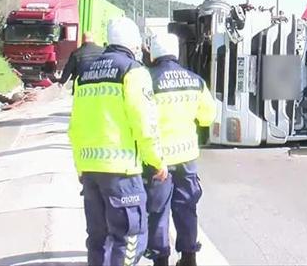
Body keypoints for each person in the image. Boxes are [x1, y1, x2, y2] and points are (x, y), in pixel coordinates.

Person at [68, 17, 167, 266]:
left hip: (90, 171)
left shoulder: (86, 74)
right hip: (121, 173)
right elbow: (144, 122)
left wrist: (81, 167)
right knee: (130, 237)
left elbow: (75, 127)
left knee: (98, 239)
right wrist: (156, 161)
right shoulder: (133, 71)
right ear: (134, 44)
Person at [144, 33, 217, 266]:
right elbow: (208, 117)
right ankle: (188, 258)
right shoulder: (195, 80)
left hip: (158, 160)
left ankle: (160, 259)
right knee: (186, 208)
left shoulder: (146, 80)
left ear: (153, 53)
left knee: (158, 211)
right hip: (186, 158)